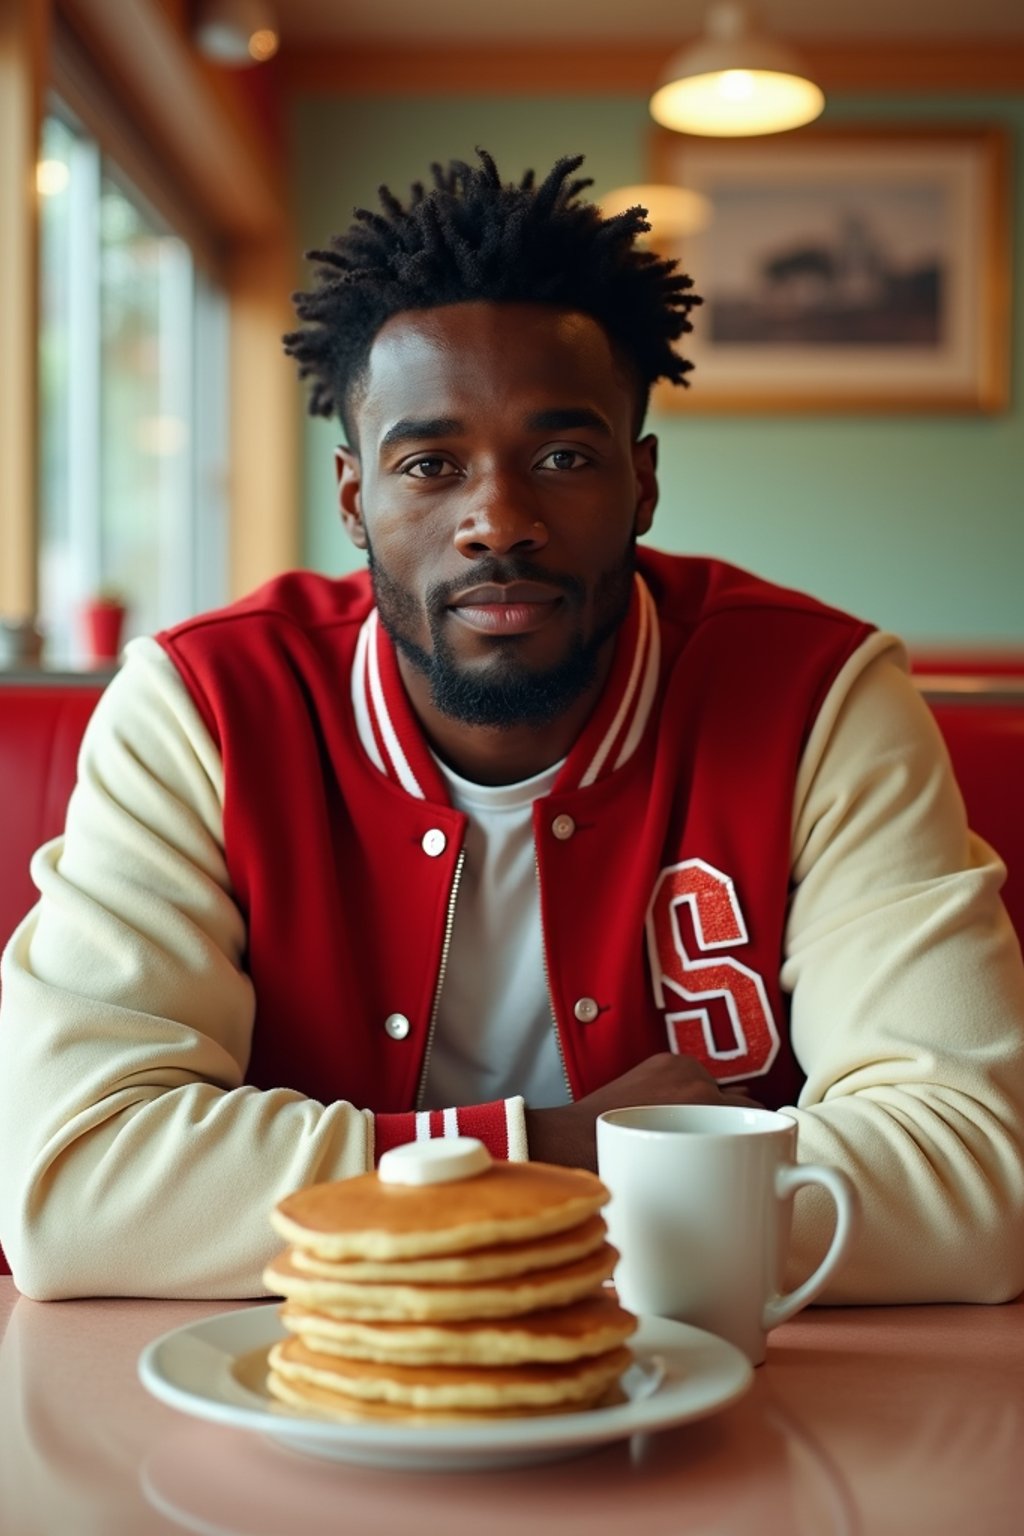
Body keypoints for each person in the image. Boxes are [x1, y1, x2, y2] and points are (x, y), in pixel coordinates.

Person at [1, 150, 1023, 1302]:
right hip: (302, 1398)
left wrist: (360, 1202)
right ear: (355, 500)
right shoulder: (203, 710)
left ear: (640, 485)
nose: (498, 518)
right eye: (430, 463)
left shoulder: (819, 699)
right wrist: (556, 1151)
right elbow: (74, 1189)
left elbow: (972, 1185)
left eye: (561, 456)